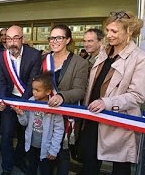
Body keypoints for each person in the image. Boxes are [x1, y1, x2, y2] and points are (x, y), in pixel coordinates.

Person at [84, 10, 145, 175]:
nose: (108, 35)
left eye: (114, 31)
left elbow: (137, 96)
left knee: (120, 169)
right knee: (89, 164)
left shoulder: (139, 58)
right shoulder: (104, 51)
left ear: (129, 32)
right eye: (107, 30)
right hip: (93, 116)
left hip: (119, 121)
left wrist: (106, 102)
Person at [0, 25, 42, 175]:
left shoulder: (34, 55)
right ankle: (7, 167)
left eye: (16, 38)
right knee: (6, 135)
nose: (12, 42)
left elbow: (32, 83)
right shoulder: (1, 57)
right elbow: (1, 81)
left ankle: (18, 159)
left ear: (22, 39)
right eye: (9, 39)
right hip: (9, 99)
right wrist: (2, 100)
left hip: (26, 100)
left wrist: (22, 104)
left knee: (24, 135)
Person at [44, 24, 88, 175]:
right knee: (44, 152)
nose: (54, 41)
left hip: (65, 117)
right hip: (46, 113)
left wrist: (62, 96)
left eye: (59, 38)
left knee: (62, 154)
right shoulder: (44, 59)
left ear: (68, 40)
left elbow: (80, 91)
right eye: (51, 38)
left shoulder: (79, 63)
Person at [12, 72, 64, 175]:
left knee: (46, 171)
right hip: (31, 145)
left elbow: (59, 130)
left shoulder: (54, 107)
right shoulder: (30, 101)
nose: (34, 92)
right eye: (33, 89)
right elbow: (24, 123)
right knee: (31, 168)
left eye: (37, 90)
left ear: (48, 91)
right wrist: (20, 114)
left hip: (47, 148)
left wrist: (54, 150)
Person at [80, 28, 104, 174]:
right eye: (85, 41)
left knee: (94, 149)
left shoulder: (104, 60)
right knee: (87, 147)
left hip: (99, 109)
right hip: (86, 108)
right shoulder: (88, 60)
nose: (86, 44)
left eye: (90, 41)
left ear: (100, 42)